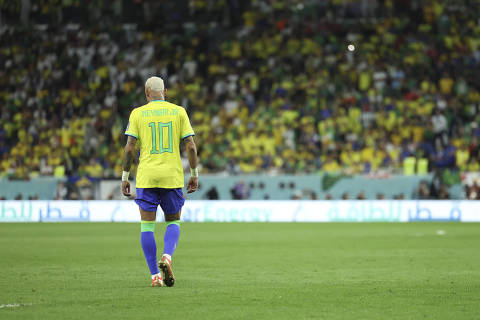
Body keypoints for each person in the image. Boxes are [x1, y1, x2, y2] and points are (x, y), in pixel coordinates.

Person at [121, 76, 199, 287]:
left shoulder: (137, 113)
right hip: (171, 176)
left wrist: (125, 176)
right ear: (165, 92)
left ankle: (155, 276)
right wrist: (194, 173)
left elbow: (129, 148)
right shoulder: (178, 111)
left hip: (146, 176)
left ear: (147, 94)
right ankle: (167, 256)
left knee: (147, 226)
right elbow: (190, 146)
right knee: (173, 221)